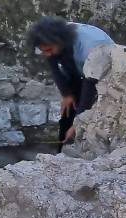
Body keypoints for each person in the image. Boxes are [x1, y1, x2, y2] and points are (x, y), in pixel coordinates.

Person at [27, 17, 115, 151]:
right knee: (68, 110)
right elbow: (54, 64)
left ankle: (82, 153)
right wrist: (67, 94)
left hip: (103, 76)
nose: (46, 54)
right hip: (80, 70)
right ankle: (62, 152)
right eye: (43, 51)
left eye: (49, 50)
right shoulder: (52, 39)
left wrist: (78, 123)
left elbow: (89, 86)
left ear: (60, 42)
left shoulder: (91, 46)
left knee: (86, 120)